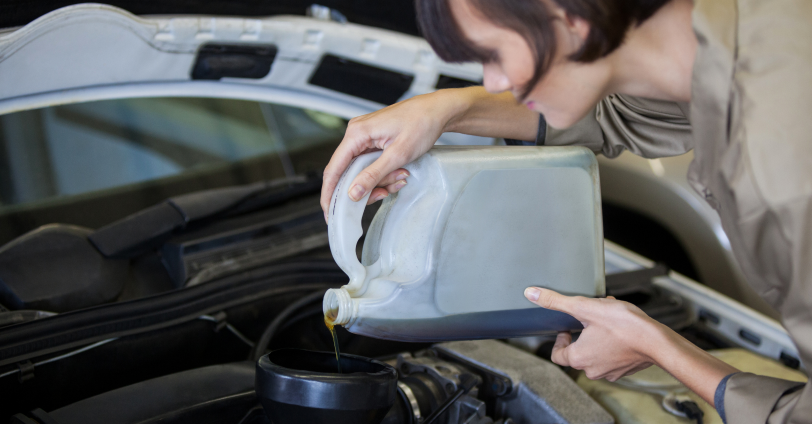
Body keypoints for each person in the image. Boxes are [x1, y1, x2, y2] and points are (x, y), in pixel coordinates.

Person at [319, 0, 812, 421]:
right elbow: (616, 111)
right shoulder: (748, 27)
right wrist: (444, 109)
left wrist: (660, 348)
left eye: (492, 54)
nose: (492, 80)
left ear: (567, 12)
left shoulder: (779, 174)